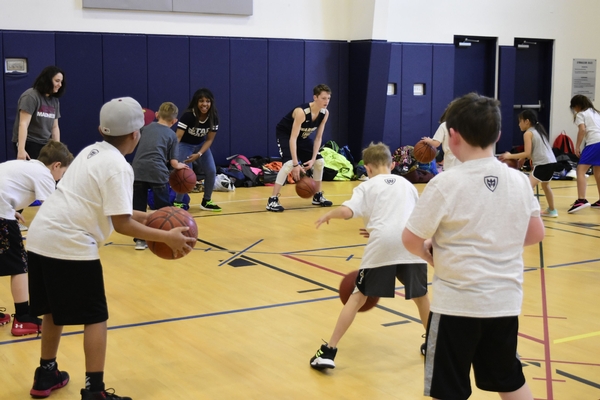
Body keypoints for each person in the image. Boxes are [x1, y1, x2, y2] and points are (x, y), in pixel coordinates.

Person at [26, 97, 197, 400]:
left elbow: (117, 211)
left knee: (53, 311)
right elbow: (122, 225)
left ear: (101, 129)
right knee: (95, 317)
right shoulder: (118, 166)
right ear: (135, 135)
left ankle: (46, 373)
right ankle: (95, 391)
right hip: (71, 244)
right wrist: (167, 237)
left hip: (40, 239)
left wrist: (155, 217)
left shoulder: (90, 152)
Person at [402, 93, 545, 400]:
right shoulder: (519, 181)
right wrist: (499, 238)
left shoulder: (445, 183)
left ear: (452, 136)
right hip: (504, 302)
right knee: (509, 380)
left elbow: (411, 240)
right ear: (498, 134)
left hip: (456, 305)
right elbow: (535, 233)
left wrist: (429, 251)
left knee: (449, 388)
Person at [309, 142, 430, 370]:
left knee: (357, 297)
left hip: (383, 244)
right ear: (392, 165)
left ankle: (329, 351)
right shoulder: (407, 184)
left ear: (368, 168)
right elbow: (417, 217)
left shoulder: (367, 186)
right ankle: (435, 344)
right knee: (421, 297)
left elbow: (347, 211)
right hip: (412, 243)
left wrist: (329, 214)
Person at [0, 140, 73, 336]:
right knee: (19, 265)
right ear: (56, 165)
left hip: (2, 209)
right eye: (63, 173)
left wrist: (10, 211)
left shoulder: (26, 166)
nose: (60, 177)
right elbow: (52, 211)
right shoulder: (44, 174)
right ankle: (23, 317)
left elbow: (6, 186)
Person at [266, 84, 334, 212]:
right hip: (286, 135)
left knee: (320, 162)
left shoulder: (325, 113)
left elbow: (318, 138)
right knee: (289, 164)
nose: (326, 101)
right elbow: (292, 138)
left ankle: (317, 196)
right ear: (315, 97)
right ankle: (272, 200)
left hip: (302, 137)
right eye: (323, 98)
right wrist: (296, 165)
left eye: (328, 98)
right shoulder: (301, 112)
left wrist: (313, 159)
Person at [131, 102, 188, 250]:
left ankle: (139, 240)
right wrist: (180, 166)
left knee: (138, 207)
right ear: (174, 121)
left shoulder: (144, 129)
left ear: (156, 115)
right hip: (157, 172)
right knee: (164, 208)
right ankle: (165, 237)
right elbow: (174, 162)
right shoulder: (172, 135)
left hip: (137, 171)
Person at [499, 109, 559, 217]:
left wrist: (510, 156)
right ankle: (552, 210)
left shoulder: (528, 133)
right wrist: (524, 158)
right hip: (552, 162)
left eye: (520, 121)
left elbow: (527, 152)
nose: (518, 124)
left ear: (526, 121)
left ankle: (524, 210)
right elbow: (533, 152)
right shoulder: (538, 131)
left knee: (526, 186)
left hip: (543, 164)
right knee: (546, 186)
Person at [174, 88, 221, 212]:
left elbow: (209, 140)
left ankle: (206, 201)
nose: (204, 104)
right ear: (196, 102)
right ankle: (178, 202)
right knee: (185, 173)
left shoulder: (213, 117)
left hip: (200, 145)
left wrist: (199, 154)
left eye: (207, 101)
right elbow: (178, 137)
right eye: (201, 101)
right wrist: (172, 153)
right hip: (184, 144)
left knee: (211, 170)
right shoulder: (188, 116)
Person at [12, 66, 66, 161]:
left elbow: (55, 127)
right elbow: (23, 124)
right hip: (29, 142)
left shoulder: (54, 101)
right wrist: (21, 149)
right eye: (57, 81)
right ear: (47, 80)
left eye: (61, 82)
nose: (60, 84)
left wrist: (57, 149)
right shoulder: (31, 96)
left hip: (45, 144)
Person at [566, 94, 600, 213]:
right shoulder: (597, 113)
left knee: (580, 171)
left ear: (577, 106)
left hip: (594, 143)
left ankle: (581, 200)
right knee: (598, 172)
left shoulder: (581, 114)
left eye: (574, 107)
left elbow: (582, 129)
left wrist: (577, 146)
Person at [421, 103, 461, 171]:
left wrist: (428, 140)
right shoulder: (464, 126)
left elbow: (436, 143)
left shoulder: (444, 125)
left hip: (450, 161)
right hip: (463, 160)